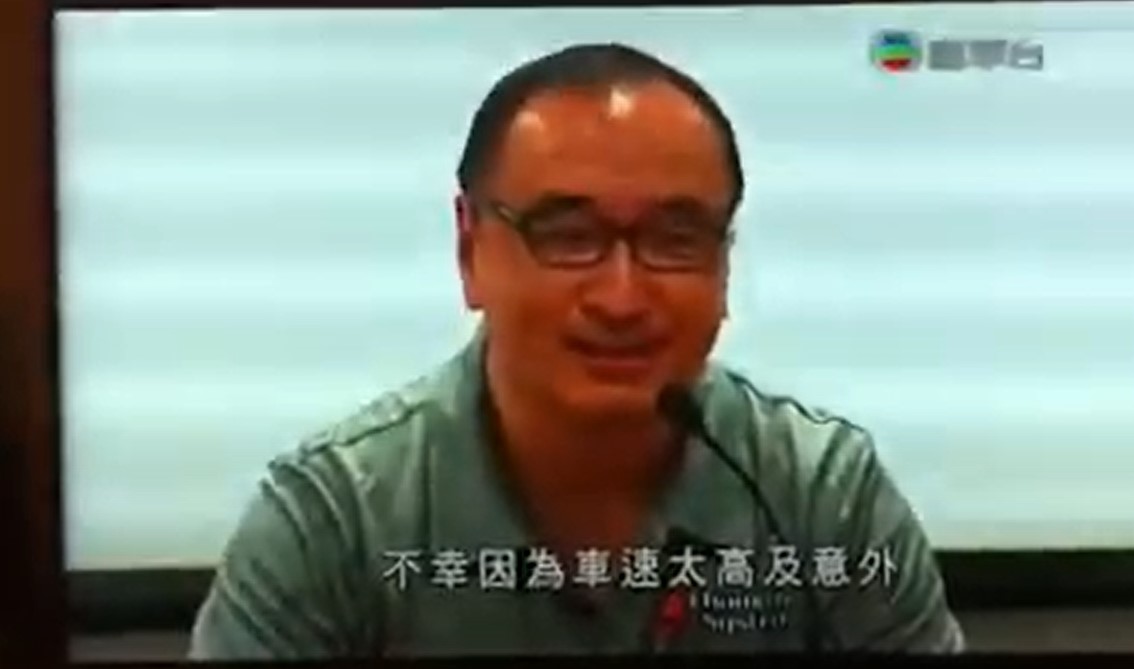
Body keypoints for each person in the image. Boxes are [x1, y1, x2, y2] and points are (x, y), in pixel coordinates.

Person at [189, 42, 964, 659]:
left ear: (725, 262)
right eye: (567, 236)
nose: (621, 298)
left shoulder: (820, 497)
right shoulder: (334, 521)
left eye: (676, 239)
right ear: (470, 248)